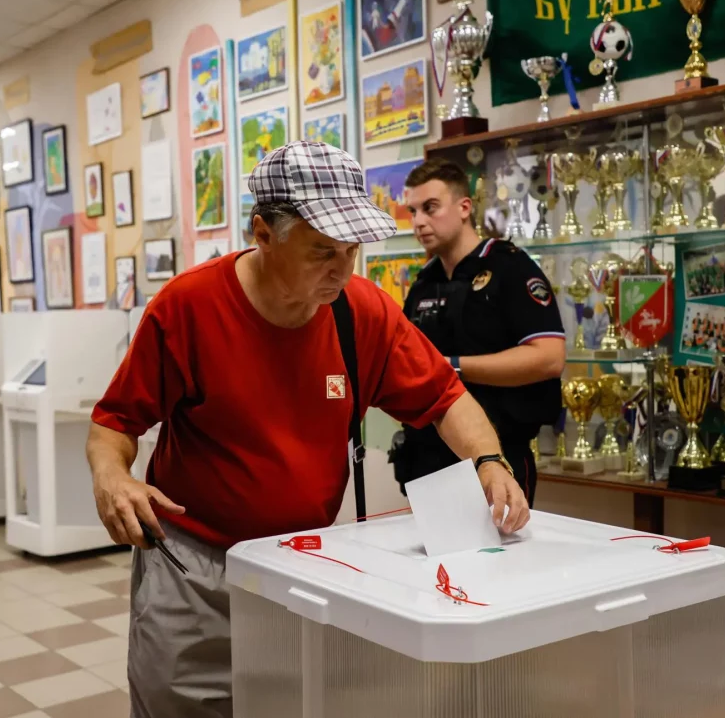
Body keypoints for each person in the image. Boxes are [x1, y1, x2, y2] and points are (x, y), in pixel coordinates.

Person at [86, 142, 529, 718]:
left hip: (302, 560)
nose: (342, 269)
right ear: (264, 233)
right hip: (192, 565)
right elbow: (113, 424)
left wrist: (488, 462)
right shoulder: (188, 308)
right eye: (322, 250)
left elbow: (446, 399)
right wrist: (112, 477)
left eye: (351, 249)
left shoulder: (360, 310)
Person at [391, 158, 565, 504]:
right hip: (427, 459)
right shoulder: (425, 281)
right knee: (431, 560)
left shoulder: (508, 267)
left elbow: (548, 358)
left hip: (498, 456)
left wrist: (450, 366)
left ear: (464, 207)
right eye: (413, 212)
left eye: (430, 208)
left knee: (500, 557)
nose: (420, 221)